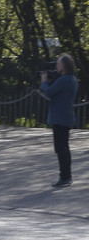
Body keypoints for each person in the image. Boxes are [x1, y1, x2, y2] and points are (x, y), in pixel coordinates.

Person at [40, 53, 79, 188]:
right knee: (64, 148)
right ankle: (66, 176)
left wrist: (44, 80)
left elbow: (49, 92)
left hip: (60, 118)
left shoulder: (63, 80)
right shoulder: (71, 79)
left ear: (64, 65)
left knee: (61, 149)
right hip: (66, 116)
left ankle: (65, 177)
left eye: (58, 63)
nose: (56, 65)